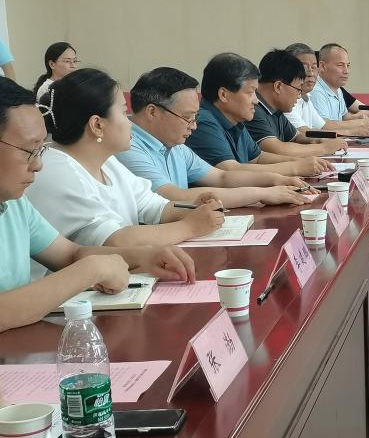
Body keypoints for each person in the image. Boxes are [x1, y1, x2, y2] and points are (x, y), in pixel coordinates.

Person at [0, 77, 195, 333]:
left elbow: (70, 254)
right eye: (29, 150)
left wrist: (144, 256)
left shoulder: (14, 204)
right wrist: (90, 270)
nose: (38, 165)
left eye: (40, 150)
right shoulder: (53, 174)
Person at [25, 69, 225, 248]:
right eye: (122, 112)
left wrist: (193, 207)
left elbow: (152, 206)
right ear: (97, 125)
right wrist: (189, 227)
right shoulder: (58, 171)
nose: (129, 121)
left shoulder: (107, 162)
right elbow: (114, 240)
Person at [116, 67, 315, 208]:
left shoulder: (175, 146)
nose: (194, 126)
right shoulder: (128, 148)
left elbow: (221, 177)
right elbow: (175, 196)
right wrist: (262, 193)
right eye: (187, 117)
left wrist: (276, 180)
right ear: (152, 112)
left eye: (195, 117)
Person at [185, 53, 335, 177]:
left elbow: (258, 158)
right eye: (250, 93)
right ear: (224, 94)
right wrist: (295, 167)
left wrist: (300, 162)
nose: (256, 100)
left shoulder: (236, 120)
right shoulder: (204, 122)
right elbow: (229, 170)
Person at [246, 49, 348, 158]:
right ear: (278, 86)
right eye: (298, 89)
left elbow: (296, 137)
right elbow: (277, 149)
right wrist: (324, 148)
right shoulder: (253, 110)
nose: (299, 96)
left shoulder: (276, 110)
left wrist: (320, 140)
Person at [282, 43, 369, 138]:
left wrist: (356, 127)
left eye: (314, 67)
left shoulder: (306, 96)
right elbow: (305, 133)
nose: (311, 73)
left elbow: (323, 126)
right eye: (304, 68)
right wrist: (353, 131)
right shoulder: (287, 100)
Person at [311, 43, 369, 122]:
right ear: (322, 66)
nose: (346, 71)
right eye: (340, 65)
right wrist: (360, 124)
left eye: (348, 65)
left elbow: (344, 117)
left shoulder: (337, 89)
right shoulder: (316, 91)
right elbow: (325, 125)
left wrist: (361, 116)